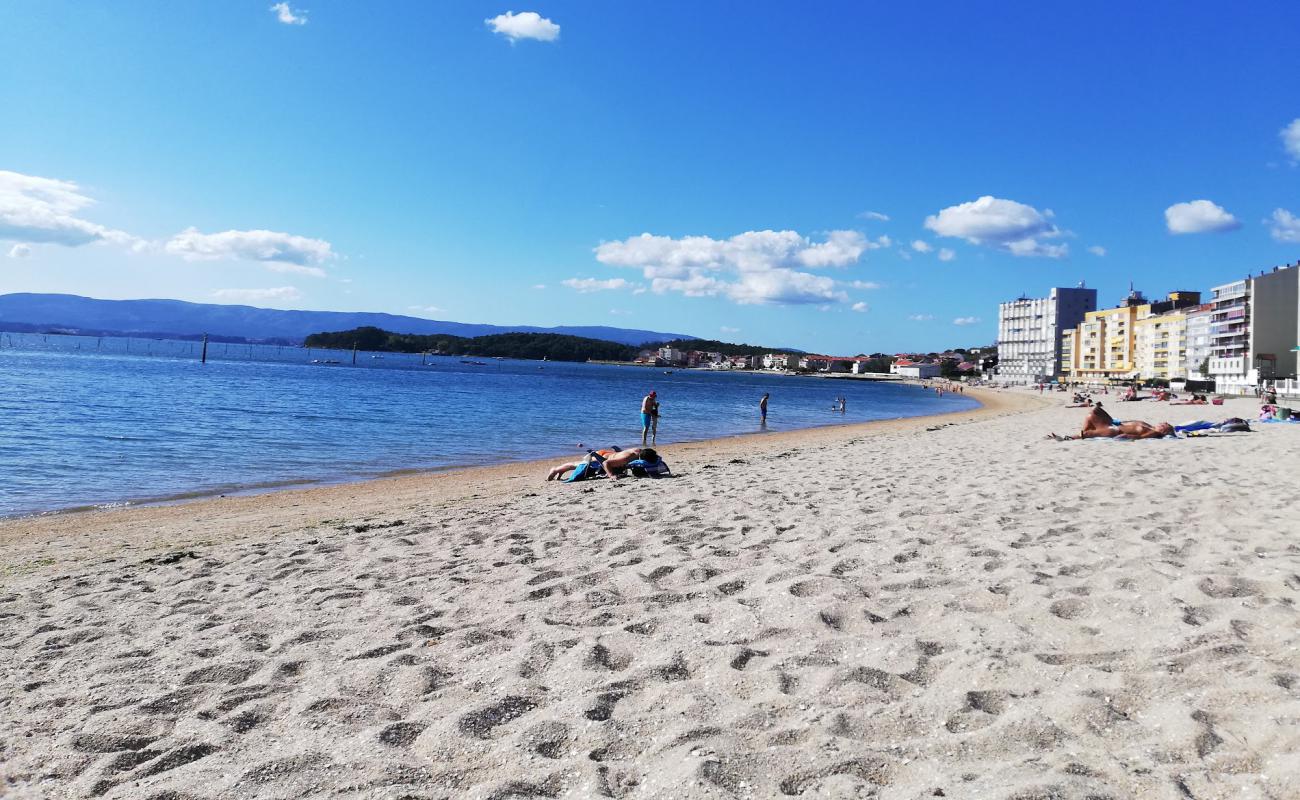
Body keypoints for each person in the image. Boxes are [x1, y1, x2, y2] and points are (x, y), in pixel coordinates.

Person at [1047, 403, 1175, 440]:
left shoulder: (1153, 433)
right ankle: (1077, 435)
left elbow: (1139, 437)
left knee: (1089, 431)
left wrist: (1124, 436)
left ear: (1164, 430)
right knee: (1094, 411)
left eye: (1165, 424)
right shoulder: (1150, 426)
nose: (1163, 422)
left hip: (1115, 431)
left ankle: (1065, 438)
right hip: (1116, 424)